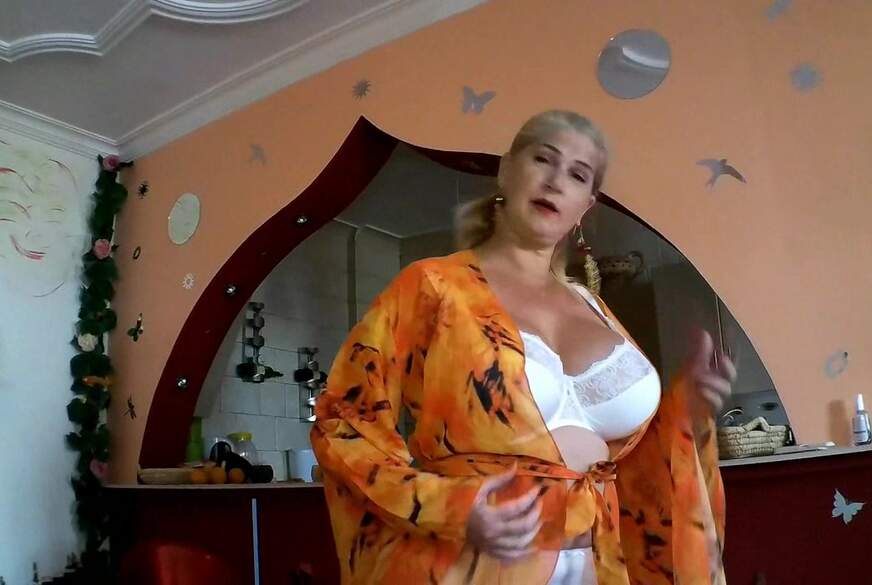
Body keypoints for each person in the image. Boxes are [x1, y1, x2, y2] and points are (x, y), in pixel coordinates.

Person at [311, 110, 735, 584]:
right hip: (472, 567)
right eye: (543, 159)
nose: (556, 181)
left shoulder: (594, 306)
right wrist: (449, 506)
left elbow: (632, 461)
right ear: (507, 170)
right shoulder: (433, 287)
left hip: (601, 565)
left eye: (577, 175)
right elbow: (343, 422)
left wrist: (686, 406)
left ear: (586, 206)